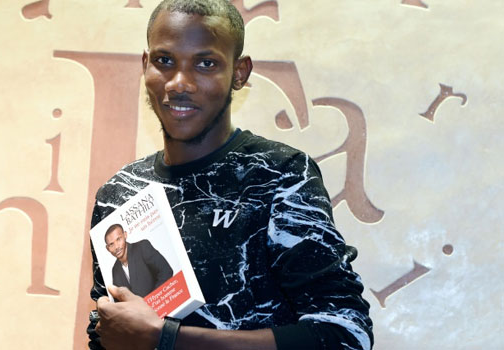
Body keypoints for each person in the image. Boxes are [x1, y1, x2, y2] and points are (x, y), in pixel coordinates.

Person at [87, 0, 374, 349]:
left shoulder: (280, 176)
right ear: (145, 65)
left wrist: (167, 340)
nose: (180, 83)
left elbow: (344, 334)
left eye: (206, 64)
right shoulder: (119, 193)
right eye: (164, 61)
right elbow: (111, 333)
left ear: (239, 73)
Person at [104, 223, 173, 297]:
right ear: (108, 249)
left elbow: (166, 271)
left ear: (125, 235)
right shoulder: (115, 270)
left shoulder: (142, 247)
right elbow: (119, 300)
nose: (116, 247)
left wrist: (152, 300)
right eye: (111, 244)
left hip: (160, 302)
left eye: (118, 239)